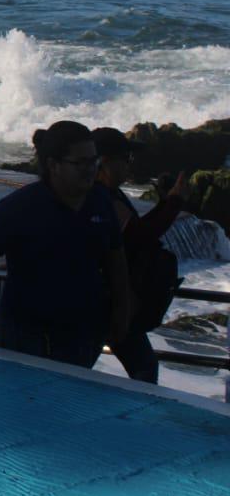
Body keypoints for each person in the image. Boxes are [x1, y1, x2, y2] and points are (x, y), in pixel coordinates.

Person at [0, 120, 129, 368]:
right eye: (80, 163)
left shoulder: (100, 202)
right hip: (25, 334)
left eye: (94, 160)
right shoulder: (20, 207)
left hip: (83, 332)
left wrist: (122, 309)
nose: (90, 169)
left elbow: (115, 258)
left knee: (70, 405)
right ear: (53, 165)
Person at [93, 126, 189, 383]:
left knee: (143, 366)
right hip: (106, 301)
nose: (129, 165)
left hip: (117, 300)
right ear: (104, 162)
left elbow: (138, 231)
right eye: (125, 159)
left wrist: (166, 203)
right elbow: (139, 235)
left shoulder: (108, 194)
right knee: (142, 367)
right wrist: (173, 203)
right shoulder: (99, 197)